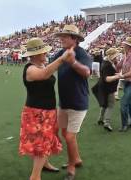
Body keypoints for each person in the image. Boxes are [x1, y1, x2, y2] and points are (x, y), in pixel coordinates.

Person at [19, 37, 75, 180]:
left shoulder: (41, 66)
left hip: (46, 111)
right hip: (37, 113)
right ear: (36, 55)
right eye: (44, 53)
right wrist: (62, 59)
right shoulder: (31, 69)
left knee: (45, 141)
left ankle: (45, 164)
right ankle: (35, 177)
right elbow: (44, 75)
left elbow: (47, 72)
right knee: (41, 144)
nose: (46, 54)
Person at [53, 24, 92, 180]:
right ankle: (76, 159)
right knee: (65, 133)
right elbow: (51, 65)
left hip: (78, 102)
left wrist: (73, 62)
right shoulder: (61, 52)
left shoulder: (82, 54)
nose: (61, 38)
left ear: (74, 39)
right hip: (64, 102)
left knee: (69, 137)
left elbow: (87, 72)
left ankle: (71, 167)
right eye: (61, 36)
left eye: (65, 36)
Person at [92, 48, 121, 132]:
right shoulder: (107, 65)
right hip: (108, 88)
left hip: (103, 87)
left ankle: (100, 119)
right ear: (111, 56)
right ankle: (107, 123)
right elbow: (107, 79)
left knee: (105, 104)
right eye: (115, 56)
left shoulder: (106, 62)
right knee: (110, 105)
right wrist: (118, 76)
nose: (117, 58)